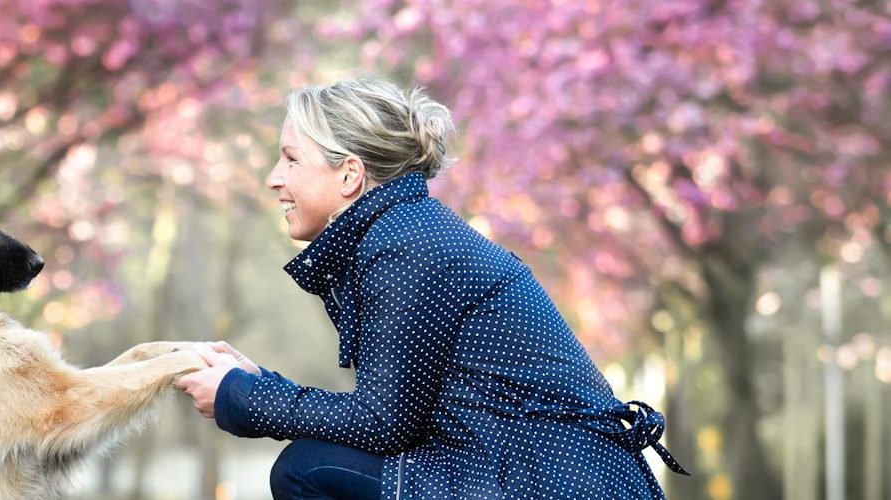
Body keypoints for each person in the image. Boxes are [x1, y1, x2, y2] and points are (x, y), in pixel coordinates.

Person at [172, 76, 689, 499]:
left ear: (350, 175)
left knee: (308, 469)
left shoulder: (403, 245)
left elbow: (382, 423)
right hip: (538, 472)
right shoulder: (405, 231)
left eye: (290, 159)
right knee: (314, 463)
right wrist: (257, 384)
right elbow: (395, 416)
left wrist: (242, 396)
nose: (273, 178)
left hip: (550, 481)